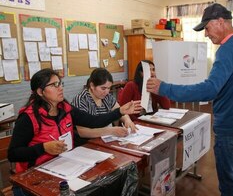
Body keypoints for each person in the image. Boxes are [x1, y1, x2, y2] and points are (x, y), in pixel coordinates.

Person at [146, 3, 233, 196]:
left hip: (229, 128)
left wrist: (165, 88)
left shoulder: (228, 49)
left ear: (220, 22)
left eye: (207, 27)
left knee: (229, 183)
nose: (205, 34)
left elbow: (209, 89)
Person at [7, 68, 141, 195]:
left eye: (60, 83)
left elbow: (93, 121)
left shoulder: (65, 109)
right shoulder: (28, 117)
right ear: (40, 92)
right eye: (54, 85)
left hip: (63, 167)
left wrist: (120, 111)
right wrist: (43, 148)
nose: (60, 88)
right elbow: (13, 154)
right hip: (33, 178)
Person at [72, 68, 137, 146]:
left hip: (106, 141)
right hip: (88, 144)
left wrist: (127, 120)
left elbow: (120, 111)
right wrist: (111, 131)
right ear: (92, 85)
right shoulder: (81, 100)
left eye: (109, 88)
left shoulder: (107, 97)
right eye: (103, 88)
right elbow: (83, 132)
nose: (107, 92)